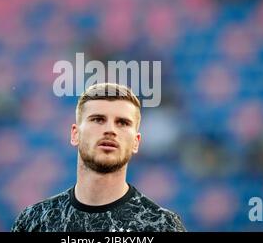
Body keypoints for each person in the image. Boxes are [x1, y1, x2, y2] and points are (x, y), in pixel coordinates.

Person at [11, 83, 186, 232]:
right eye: (98, 119)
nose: (110, 130)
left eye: (122, 123)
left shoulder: (162, 226)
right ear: (75, 134)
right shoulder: (34, 222)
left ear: (136, 142)